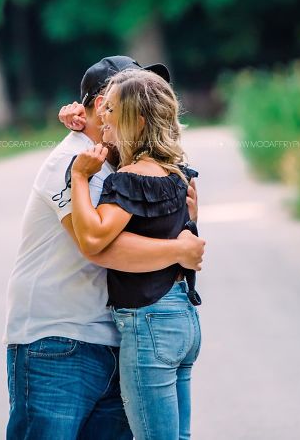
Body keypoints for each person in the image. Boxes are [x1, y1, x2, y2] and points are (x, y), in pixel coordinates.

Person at [3, 56, 205, 440]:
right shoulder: (71, 161)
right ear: (103, 105)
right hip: (58, 339)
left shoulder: (130, 164)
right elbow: (96, 246)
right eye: (135, 98)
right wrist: (180, 252)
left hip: (116, 335)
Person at [69, 68, 202, 440]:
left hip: (149, 323)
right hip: (183, 319)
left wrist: (80, 178)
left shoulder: (129, 179)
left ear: (137, 120)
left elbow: (94, 237)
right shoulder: (177, 173)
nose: (103, 120)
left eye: (111, 111)